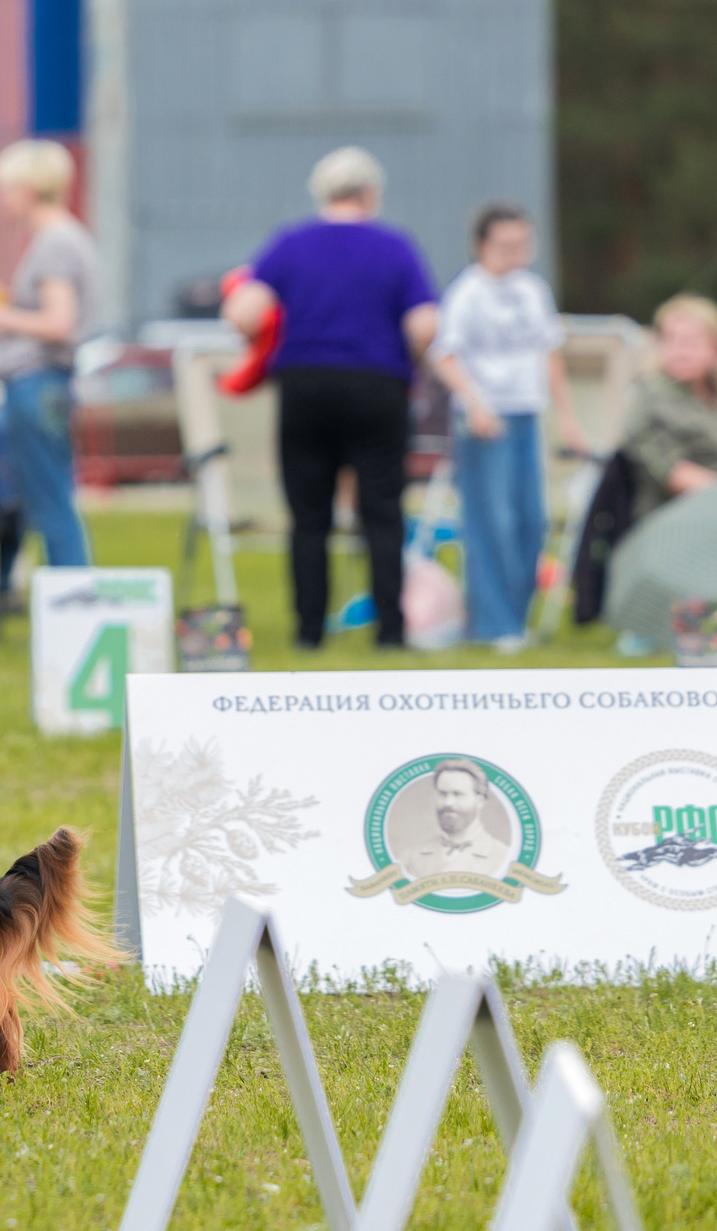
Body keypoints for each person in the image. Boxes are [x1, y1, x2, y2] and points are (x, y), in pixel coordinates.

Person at [225, 146, 438, 650]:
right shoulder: (394, 247)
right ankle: (390, 630)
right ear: (371, 193)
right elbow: (425, 325)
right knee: (382, 512)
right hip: (375, 385)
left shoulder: (291, 243)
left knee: (308, 516)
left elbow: (241, 313)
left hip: (305, 385)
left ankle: (309, 630)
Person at [430, 203, 588, 651]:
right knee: (490, 518)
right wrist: (476, 405)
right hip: (484, 419)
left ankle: (515, 615)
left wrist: (568, 418)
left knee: (530, 518)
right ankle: (492, 622)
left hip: (525, 413)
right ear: (482, 245)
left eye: (522, 243)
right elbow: (445, 355)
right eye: (505, 244)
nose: (515, 253)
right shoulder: (467, 293)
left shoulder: (533, 290)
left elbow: (549, 354)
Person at [0, 140, 96, 569]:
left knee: (50, 502)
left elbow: (60, 323)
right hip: (45, 384)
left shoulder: (54, 243)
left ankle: (74, 601)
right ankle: (71, 599)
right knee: (52, 497)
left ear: (29, 188)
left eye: (4, 187)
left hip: (38, 383)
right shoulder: (64, 237)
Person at [618, 294, 717, 521]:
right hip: (684, 518)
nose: (681, 350)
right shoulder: (652, 395)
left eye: (691, 340)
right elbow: (672, 475)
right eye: (671, 339)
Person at [398, 759, 511, 882]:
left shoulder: (503, 858)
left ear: (479, 801)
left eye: (457, 794)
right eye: (442, 794)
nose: (448, 803)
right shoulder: (411, 858)